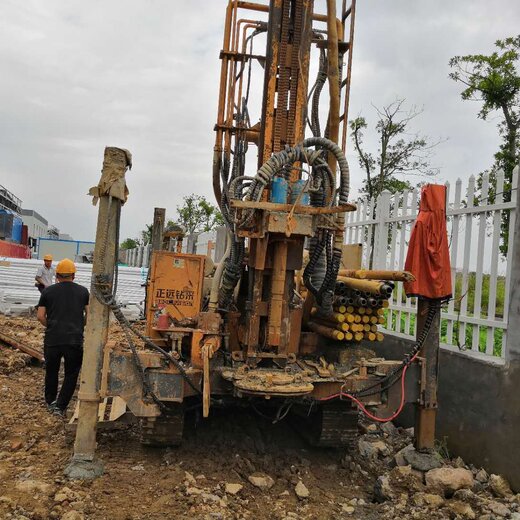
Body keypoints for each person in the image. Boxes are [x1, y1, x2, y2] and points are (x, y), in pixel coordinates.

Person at [37, 258, 89, 417]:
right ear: (73, 275)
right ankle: (60, 406)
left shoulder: (48, 291)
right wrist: (81, 325)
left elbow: (40, 316)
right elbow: (90, 313)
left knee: (51, 371)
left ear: (57, 275)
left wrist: (52, 327)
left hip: (52, 339)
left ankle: (50, 401)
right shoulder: (83, 292)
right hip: (74, 339)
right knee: (71, 373)